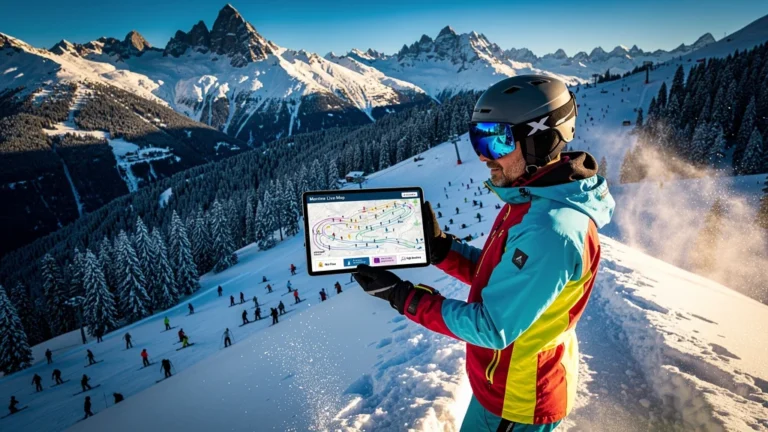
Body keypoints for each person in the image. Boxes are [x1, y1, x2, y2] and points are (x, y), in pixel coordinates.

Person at [351, 75, 614, 432]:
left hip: (520, 402)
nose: (483, 156)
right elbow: (501, 276)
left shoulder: (550, 229)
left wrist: (403, 297)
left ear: (539, 139)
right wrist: (443, 249)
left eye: (497, 141)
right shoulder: (532, 198)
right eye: (478, 138)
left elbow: (492, 327)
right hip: (502, 384)